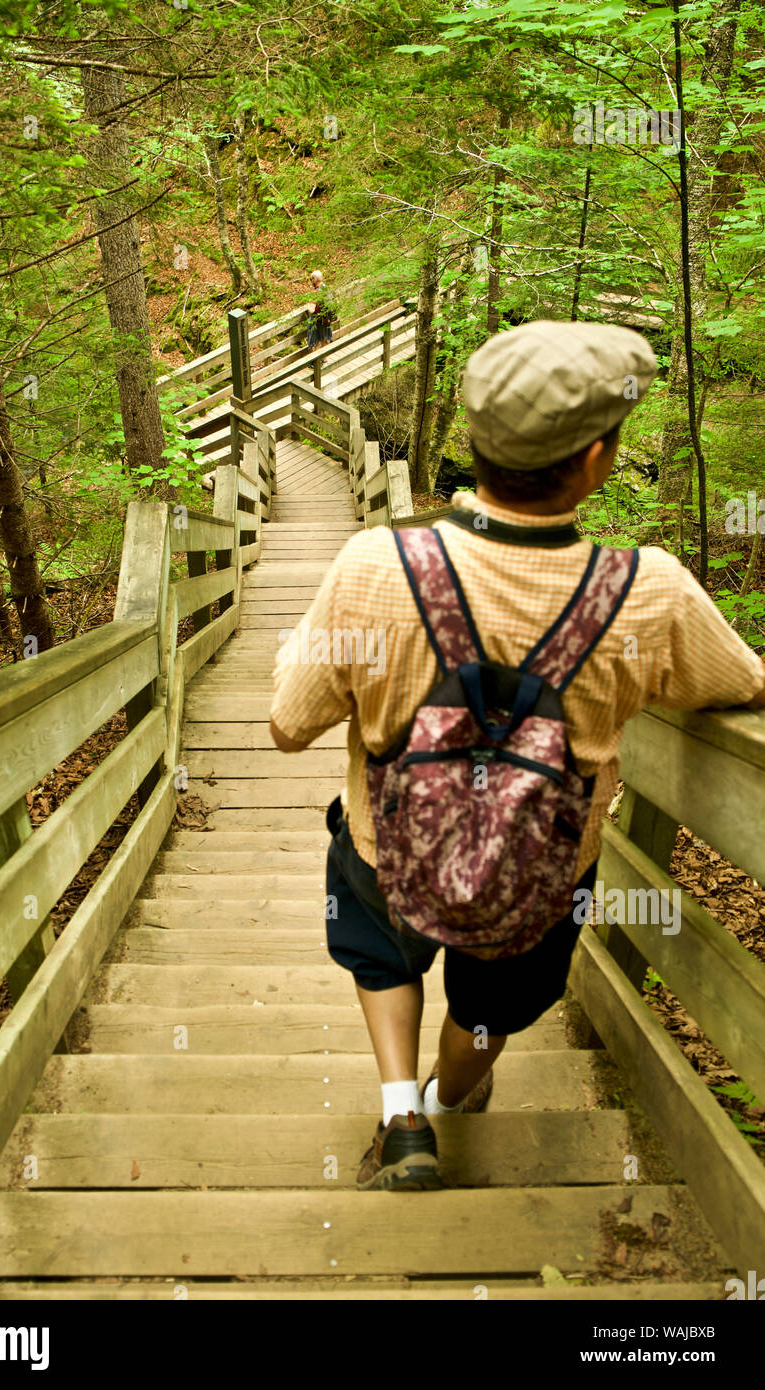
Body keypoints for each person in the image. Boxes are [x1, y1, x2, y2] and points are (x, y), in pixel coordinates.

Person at [269, 320, 765, 1192]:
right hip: (539, 876)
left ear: (473, 442)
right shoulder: (645, 586)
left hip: (388, 850)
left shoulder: (374, 564)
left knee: (383, 956)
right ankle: (452, 1101)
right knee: (490, 1007)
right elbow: (741, 682)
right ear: (596, 459)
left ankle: (400, 1118)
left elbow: (287, 723)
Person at [306, 269, 336, 349]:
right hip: (327, 318)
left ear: (314, 279)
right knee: (324, 339)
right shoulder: (328, 289)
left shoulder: (316, 292)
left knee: (314, 340)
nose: (311, 281)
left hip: (318, 320)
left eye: (311, 279)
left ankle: (316, 359)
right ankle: (325, 358)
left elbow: (312, 309)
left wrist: (309, 305)